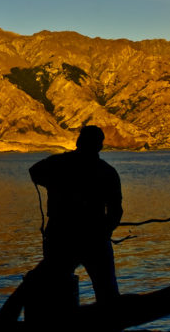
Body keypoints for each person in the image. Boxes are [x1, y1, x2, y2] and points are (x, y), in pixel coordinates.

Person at [29, 124, 122, 306]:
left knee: (55, 288)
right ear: (100, 145)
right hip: (94, 238)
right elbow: (115, 210)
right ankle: (111, 331)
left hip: (60, 235)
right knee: (107, 291)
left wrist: (53, 183)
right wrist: (106, 231)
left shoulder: (57, 164)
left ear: (79, 142)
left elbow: (34, 172)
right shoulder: (107, 172)